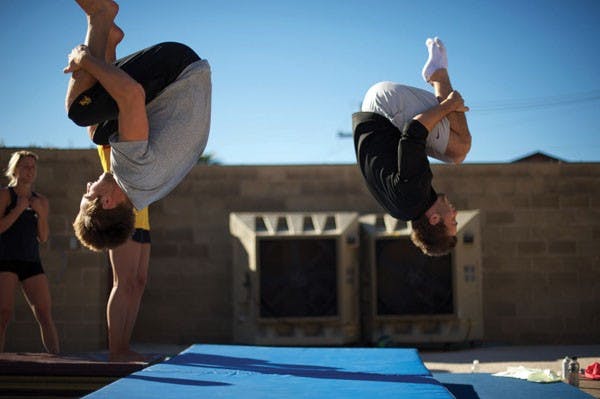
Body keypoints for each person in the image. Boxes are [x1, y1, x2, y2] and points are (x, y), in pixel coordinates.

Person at [65, 0, 211, 252]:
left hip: (186, 81)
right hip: (176, 69)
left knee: (99, 133)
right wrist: (85, 59)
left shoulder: (144, 192)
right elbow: (131, 94)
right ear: (108, 202)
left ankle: (108, 39)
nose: (88, 186)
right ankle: (100, 16)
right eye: (89, 194)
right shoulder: (132, 172)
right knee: (79, 111)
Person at [353, 37, 471, 256]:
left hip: (386, 106)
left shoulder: (413, 196)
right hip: (378, 112)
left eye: (453, 221)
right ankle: (438, 75)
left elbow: (415, 130)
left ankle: (438, 73)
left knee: (461, 146)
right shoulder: (407, 207)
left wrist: (449, 106)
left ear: (435, 219)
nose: (455, 213)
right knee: (455, 156)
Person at [0, 151, 60, 354]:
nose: (30, 171)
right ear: (15, 169)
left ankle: (57, 362)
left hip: (31, 261)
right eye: (25, 166)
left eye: (33, 167)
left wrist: (41, 216)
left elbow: (43, 237)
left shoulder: (40, 201)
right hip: (5, 259)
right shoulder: (5, 195)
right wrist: (18, 209)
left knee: (44, 313)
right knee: (4, 313)